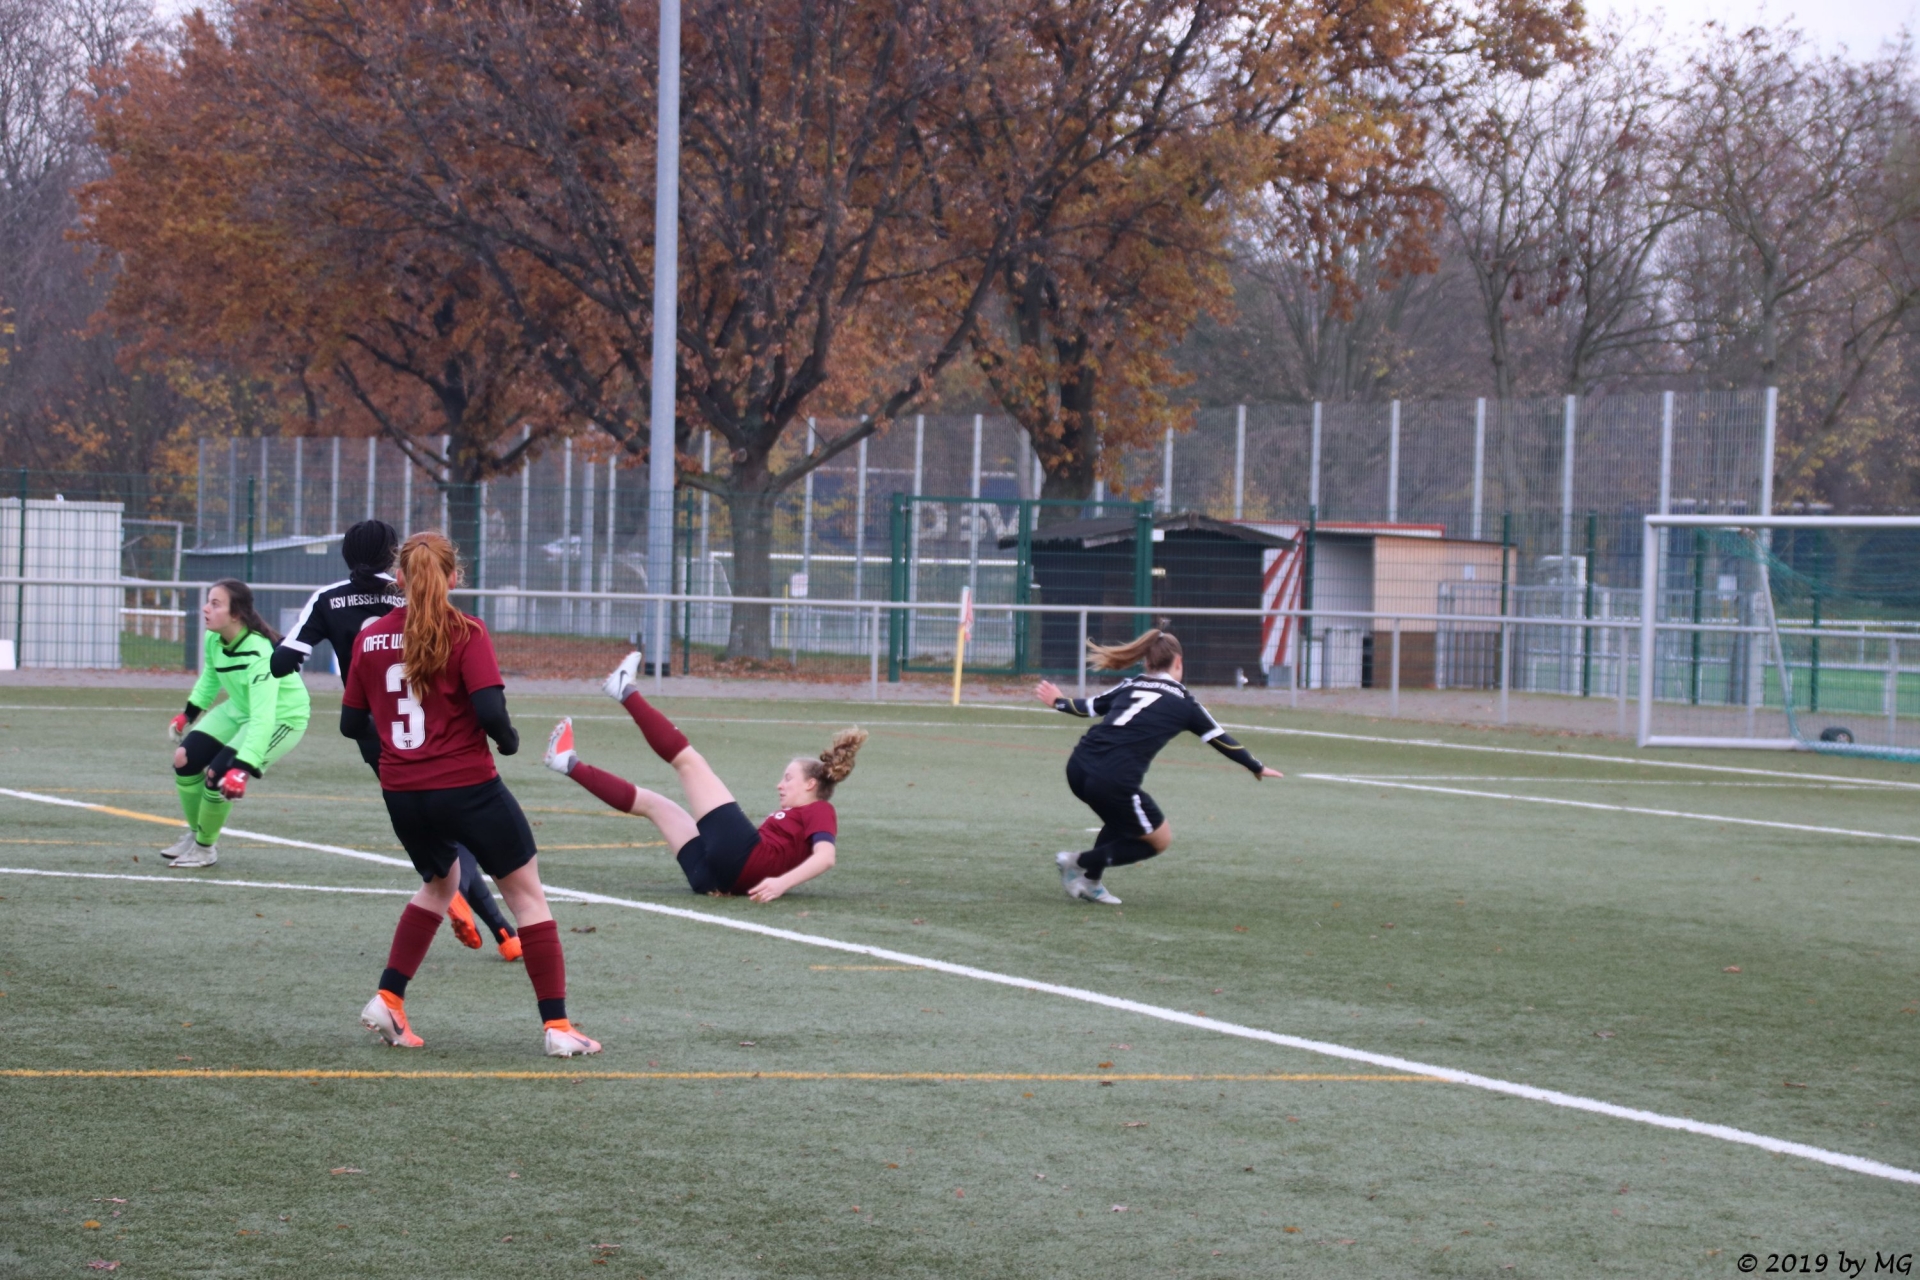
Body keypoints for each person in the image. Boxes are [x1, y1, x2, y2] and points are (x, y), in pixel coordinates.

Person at [340, 531, 598, 1057]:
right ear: (455, 577)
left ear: (400, 580)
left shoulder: (368, 640)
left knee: (439, 886)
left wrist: (395, 750)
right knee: (527, 895)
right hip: (467, 787)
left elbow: (351, 724)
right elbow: (489, 712)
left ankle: (389, 997)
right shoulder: (467, 631)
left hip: (403, 792)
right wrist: (508, 743)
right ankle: (558, 1027)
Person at [274, 519, 521, 961]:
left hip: (378, 730)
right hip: (438, 721)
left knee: (433, 829)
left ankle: (501, 929)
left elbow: (282, 662)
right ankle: (489, 919)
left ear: (346, 556)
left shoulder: (328, 598)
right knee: (456, 823)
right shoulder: (409, 584)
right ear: (394, 556)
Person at [543, 650, 864, 903]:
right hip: (716, 878)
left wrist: (781, 883)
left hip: (744, 860)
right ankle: (567, 763)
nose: (780, 784)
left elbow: (826, 857)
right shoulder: (797, 815)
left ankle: (624, 690)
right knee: (656, 805)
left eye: (788, 778)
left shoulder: (820, 809)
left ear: (811, 784)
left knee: (689, 762)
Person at [1034, 628, 1282, 905]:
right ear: (1178, 662)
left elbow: (1088, 707)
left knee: (1120, 821)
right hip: (1112, 779)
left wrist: (1058, 701)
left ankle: (1091, 882)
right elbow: (1221, 740)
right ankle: (1077, 862)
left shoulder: (1131, 684)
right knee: (1158, 839)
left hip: (1078, 767)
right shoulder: (1184, 701)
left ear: (1147, 662)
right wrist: (1256, 766)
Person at [162, 580, 313, 869]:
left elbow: (264, 717)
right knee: (184, 758)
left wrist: (241, 769)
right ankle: (197, 835)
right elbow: (210, 678)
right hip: (241, 707)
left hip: (283, 717)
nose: (205, 608)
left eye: (215, 604)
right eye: (208, 601)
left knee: (219, 774)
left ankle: (205, 849)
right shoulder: (214, 638)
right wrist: (188, 714)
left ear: (236, 615)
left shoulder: (260, 654)